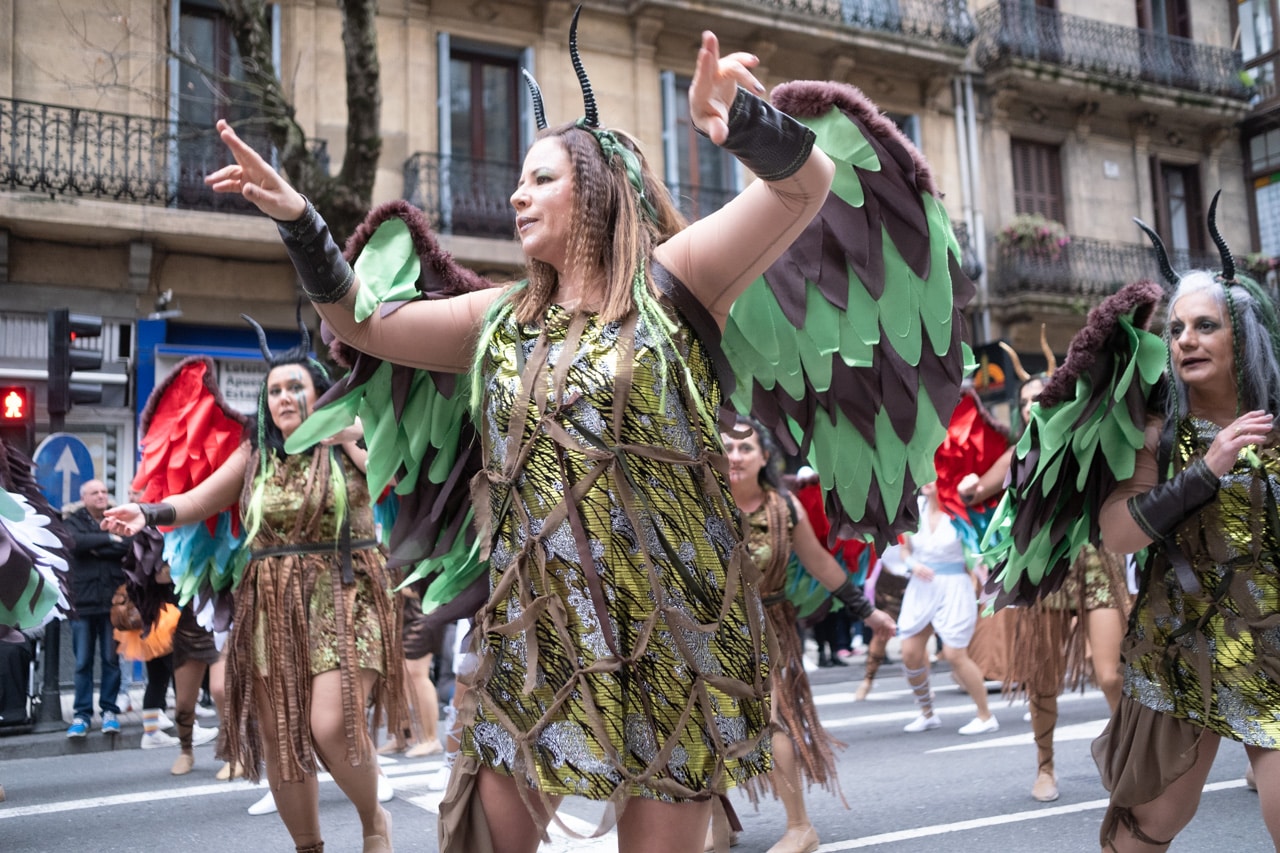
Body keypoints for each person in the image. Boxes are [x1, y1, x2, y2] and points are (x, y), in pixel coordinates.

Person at [203, 23, 836, 853]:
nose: (516, 195)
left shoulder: (674, 281)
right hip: (539, 631)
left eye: (540, 178)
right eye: (517, 181)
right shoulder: (502, 317)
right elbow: (363, 323)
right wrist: (299, 219)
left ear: (598, 190)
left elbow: (804, 187)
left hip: (669, 630)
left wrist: (737, 121)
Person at [102, 336, 401, 853]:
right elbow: (198, 501)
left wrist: (355, 430)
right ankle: (308, 846)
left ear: (320, 393)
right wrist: (146, 513)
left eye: (295, 387)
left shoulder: (347, 441)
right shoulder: (254, 455)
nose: (283, 398)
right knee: (281, 734)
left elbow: (396, 476)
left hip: (346, 595)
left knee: (331, 724)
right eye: (274, 391)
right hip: (272, 605)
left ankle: (374, 822)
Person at [1093, 252, 1280, 848]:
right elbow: (1118, 532)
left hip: (1272, 646)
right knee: (1146, 829)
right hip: (1181, 646)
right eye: (1175, 330)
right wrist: (1207, 467)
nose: (1185, 341)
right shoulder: (1159, 431)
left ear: (1243, 335)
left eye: (1205, 326)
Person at [716, 418, 895, 853]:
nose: (735, 456)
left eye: (745, 449)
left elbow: (820, 562)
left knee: (772, 721)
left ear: (765, 457)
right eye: (728, 448)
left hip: (769, 630)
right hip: (712, 630)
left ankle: (800, 828)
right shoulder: (705, 499)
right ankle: (717, 824)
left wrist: (867, 612)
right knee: (706, 725)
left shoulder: (783, 507)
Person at [960, 364, 1130, 804]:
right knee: (1043, 678)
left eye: (1038, 397)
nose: (1030, 406)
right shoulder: (1021, 453)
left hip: (1096, 562)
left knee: (1111, 673)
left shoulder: (1091, 438)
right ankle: (1045, 766)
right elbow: (977, 490)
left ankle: (1129, 758)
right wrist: (967, 486)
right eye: (1023, 402)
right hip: (1045, 568)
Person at [893, 480, 999, 736]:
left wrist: (988, 585)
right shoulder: (913, 508)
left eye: (933, 476)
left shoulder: (960, 511)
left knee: (954, 654)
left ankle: (985, 715)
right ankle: (927, 713)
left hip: (954, 587)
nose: (926, 481)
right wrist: (913, 565)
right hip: (921, 587)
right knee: (910, 653)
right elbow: (904, 551)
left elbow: (977, 553)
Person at [65, 479, 129, 738]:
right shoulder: (73, 520)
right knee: (83, 662)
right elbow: (74, 542)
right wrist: (108, 539)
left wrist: (96, 546)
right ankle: (82, 715)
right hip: (82, 603)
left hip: (112, 604)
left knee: (111, 660)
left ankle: (109, 711)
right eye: (95, 492)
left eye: (104, 491)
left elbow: (126, 546)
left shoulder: (117, 518)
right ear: (84, 498)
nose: (102, 495)